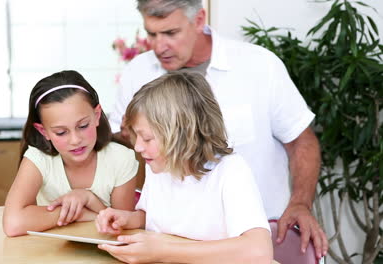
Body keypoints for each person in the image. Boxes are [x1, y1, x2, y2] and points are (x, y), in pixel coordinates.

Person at [109, 0, 328, 258]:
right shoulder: (139, 72)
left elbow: (301, 139)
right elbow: (124, 150)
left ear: (199, 20)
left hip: (254, 236)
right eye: (151, 34)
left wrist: (301, 203)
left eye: (170, 33)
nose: (159, 46)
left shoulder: (259, 66)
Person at [97, 71, 273, 264]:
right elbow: (153, 216)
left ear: (181, 135)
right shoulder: (159, 164)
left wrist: (163, 251)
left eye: (147, 138)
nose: (138, 147)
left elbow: (259, 251)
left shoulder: (230, 171)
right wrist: (128, 219)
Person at [3, 70, 138, 237]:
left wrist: (89, 199)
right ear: (43, 131)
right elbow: (13, 224)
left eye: (82, 126)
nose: (75, 140)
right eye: (61, 132)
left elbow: (121, 227)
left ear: (96, 116)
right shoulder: (37, 159)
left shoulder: (121, 158)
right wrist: (79, 214)